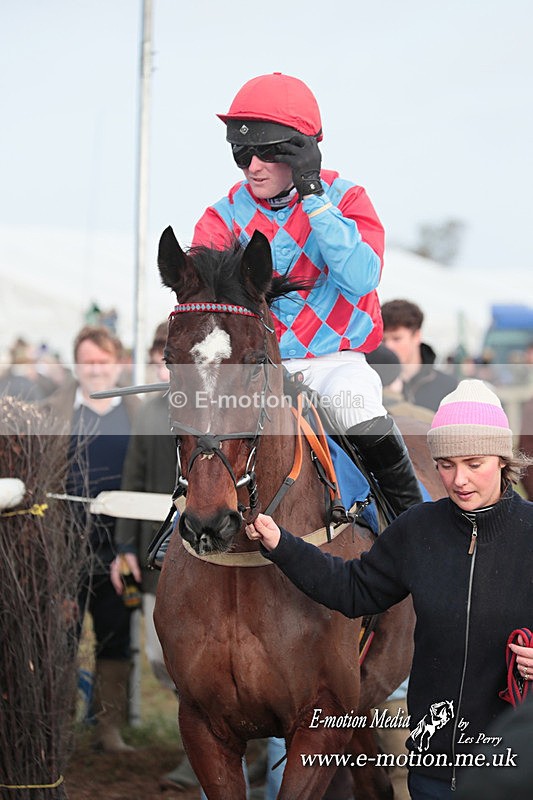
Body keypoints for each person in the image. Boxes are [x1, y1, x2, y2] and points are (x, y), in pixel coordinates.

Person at [245, 379, 533, 798]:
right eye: (446, 464)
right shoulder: (417, 528)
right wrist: (282, 545)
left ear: (503, 460)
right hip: (433, 769)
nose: (459, 479)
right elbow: (353, 589)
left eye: (475, 463)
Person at [191, 71, 422, 517]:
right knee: (199, 420)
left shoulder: (347, 198)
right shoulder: (220, 218)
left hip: (335, 365)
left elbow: (361, 278)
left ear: (301, 150)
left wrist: (312, 193)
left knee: (357, 412)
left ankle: (415, 526)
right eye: (241, 153)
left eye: (266, 152)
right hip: (258, 369)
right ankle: (184, 522)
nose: (252, 166)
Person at [110, 324, 199, 791]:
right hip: (155, 561)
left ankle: (208, 753)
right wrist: (125, 548)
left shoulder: (220, 408)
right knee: (160, 659)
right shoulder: (149, 411)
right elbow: (133, 478)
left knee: (201, 663)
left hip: (206, 561)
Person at [43, 325, 140, 753]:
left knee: (119, 636)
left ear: (118, 364)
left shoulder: (139, 414)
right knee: (58, 636)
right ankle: (55, 725)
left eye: (103, 362)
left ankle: (108, 728)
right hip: (63, 551)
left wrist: (130, 549)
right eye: (87, 362)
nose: (96, 370)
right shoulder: (52, 413)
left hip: (124, 555)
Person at [381, 299, 457, 412]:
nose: (388, 346)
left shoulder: (450, 388)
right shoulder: (371, 384)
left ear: (416, 336)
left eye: (396, 339)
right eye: (383, 340)